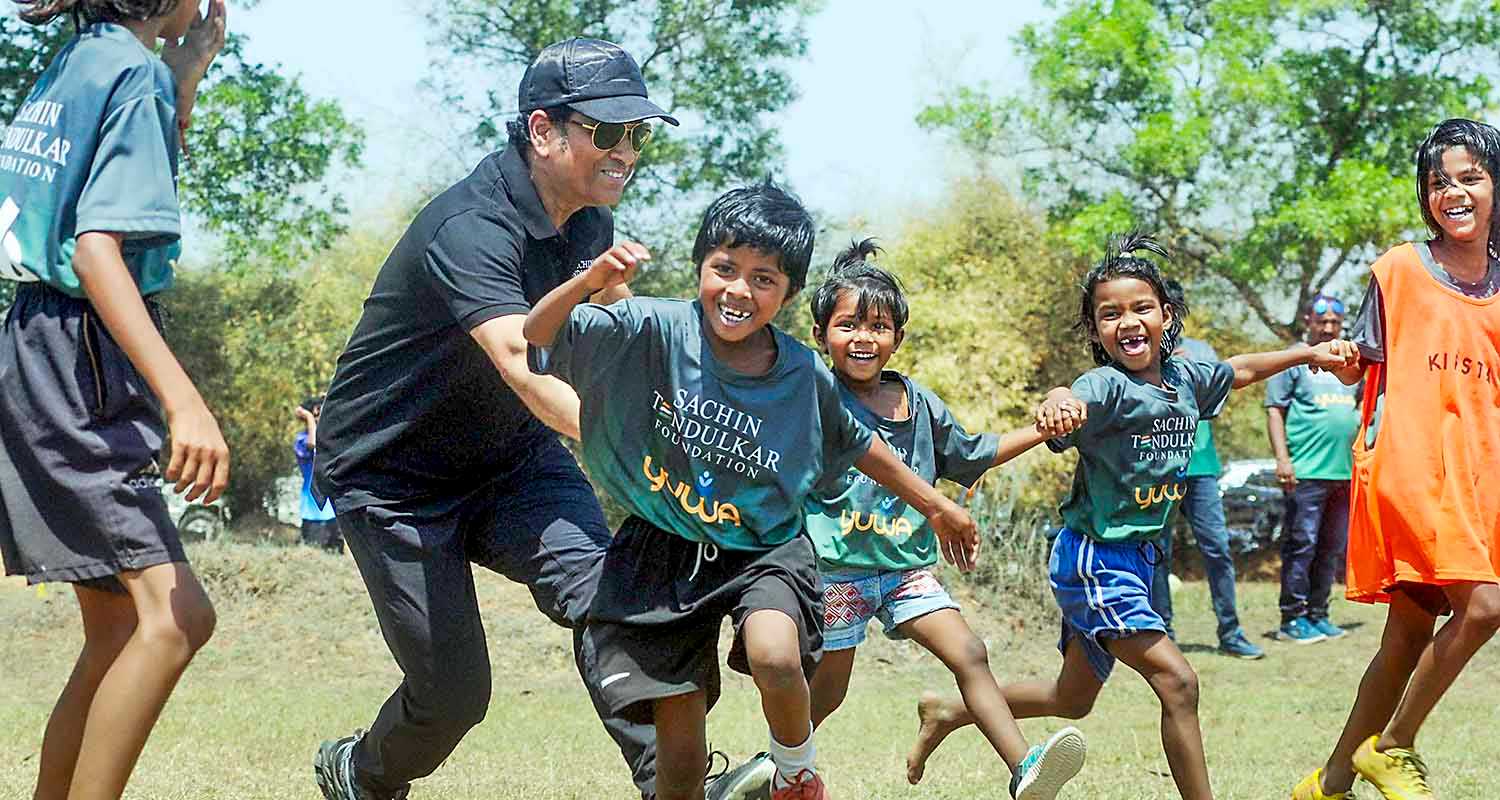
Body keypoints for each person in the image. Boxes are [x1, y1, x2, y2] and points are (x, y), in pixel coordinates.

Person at [310, 38, 693, 800]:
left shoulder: (587, 223)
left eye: (639, 135)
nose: (628, 152)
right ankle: (360, 773)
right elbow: (520, 362)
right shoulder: (470, 228)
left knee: (608, 595)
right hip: (393, 481)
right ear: (544, 130)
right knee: (454, 694)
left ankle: (676, 785)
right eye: (609, 133)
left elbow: (601, 342)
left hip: (511, 461)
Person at [522, 183, 982, 800]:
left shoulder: (801, 371)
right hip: (664, 548)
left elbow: (856, 443)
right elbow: (538, 331)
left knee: (773, 654)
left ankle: (796, 773)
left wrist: (938, 503)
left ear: (788, 294)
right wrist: (592, 280)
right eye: (725, 269)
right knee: (679, 764)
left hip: (763, 545)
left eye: (764, 279)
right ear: (700, 266)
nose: (740, 291)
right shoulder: (651, 326)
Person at [903, 233, 1357, 800]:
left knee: (1073, 699)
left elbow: (1237, 370)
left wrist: (1309, 353)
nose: (1128, 321)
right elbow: (1069, 394)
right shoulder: (1108, 386)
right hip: (1094, 559)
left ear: (1166, 316)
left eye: (1142, 307)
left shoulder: (1186, 378)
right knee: (1178, 680)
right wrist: (1054, 399)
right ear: (1095, 331)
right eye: (1110, 313)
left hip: (1139, 558)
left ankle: (950, 710)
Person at [0, 2, 229, 799]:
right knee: (175, 619)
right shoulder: (133, 75)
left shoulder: (81, 62)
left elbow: (120, 198)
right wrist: (184, 399)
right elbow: (100, 250)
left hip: (36, 343)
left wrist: (185, 78)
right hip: (82, 356)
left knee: (118, 630)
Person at [796, 239, 1086, 800]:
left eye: (878, 327)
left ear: (898, 339)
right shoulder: (815, 396)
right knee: (829, 691)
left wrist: (1044, 432)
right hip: (836, 572)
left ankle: (1024, 766)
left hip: (906, 569)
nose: (863, 338)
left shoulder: (917, 402)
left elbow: (973, 453)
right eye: (848, 325)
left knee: (970, 653)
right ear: (820, 335)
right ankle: (780, 764)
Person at [1290, 118, 1500, 800]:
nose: (1454, 192)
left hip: (1480, 475)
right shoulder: (1399, 270)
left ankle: (1328, 783)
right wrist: (1347, 360)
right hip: (1411, 467)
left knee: (1408, 634)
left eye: (1470, 177)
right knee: (1487, 607)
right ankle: (1396, 745)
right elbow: (1362, 360)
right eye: (1439, 182)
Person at [1148, 281, 1264, 659]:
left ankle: (1231, 632)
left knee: (1217, 548)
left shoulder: (1201, 352)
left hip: (1200, 467)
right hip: (1157, 471)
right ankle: (1162, 633)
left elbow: (1217, 394)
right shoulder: (1139, 354)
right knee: (1157, 551)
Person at [1266, 293, 1360, 644]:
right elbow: (1275, 409)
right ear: (1309, 321)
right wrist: (1283, 459)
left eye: (1334, 323)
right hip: (1305, 471)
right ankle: (1292, 618)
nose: (1328, 328)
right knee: (1301, 543)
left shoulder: (1350, 362)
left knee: (1331, 547)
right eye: (1322, 322)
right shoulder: (1295, 360)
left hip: (1344, 472)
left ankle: (1318, 614)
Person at [294, 396, 341, 552]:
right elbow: (313, 444)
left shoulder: (333, 439)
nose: (318, 418)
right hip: (313, 513)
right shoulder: (301, 441)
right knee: (316, 554)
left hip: (333, 512)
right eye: (314, 415)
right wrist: (308, 417)